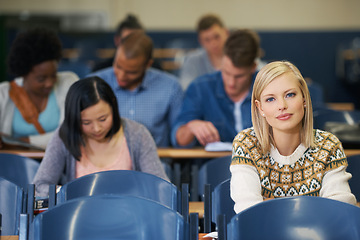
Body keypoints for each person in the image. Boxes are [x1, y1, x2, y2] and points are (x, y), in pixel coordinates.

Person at [230, 61, 356, 214]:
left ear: (304, 98)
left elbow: (339, 212)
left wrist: (270, 204)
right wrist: (310, 204)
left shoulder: (328, 145)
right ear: (260, 108)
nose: (282, 105)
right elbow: (249, 212)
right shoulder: (246, 143)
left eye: (290, 95)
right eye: (270, 99)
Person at [33, 76, 169, 197]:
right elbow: (39, 186)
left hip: (129, 215)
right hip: (79, 218)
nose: (97, 128)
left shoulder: (137, 134)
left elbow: (160, 185)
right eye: (86, 122)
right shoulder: (64, 136)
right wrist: (66, 193)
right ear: (74, 119)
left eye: (103, 119)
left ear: (113, 108)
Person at [89, 31, 183, 147]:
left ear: (148, 65)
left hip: (156, 160)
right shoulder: (93, 84)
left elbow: (179, 139)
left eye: (131, 72)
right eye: (118, 66)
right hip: (105, 160)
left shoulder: (170, 87)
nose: (121, 76)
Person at [172, 29, 260, 148]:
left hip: (259, 164)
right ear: (222, 62)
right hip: (213, 164)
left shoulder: (267, 88)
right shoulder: (200, 88)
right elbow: (178, 140)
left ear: (253, 67)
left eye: (239, 76)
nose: (231, 83)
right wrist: (192, 126)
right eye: (226, 73)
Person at [0, 28, 78, 149]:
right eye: (41, 79)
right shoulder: (4, 93)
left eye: (53, 75)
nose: (49, 83)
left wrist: (20, 142)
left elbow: (69, 134)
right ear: (23, 73)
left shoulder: (67, 82)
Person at [179, 13, 228, 90]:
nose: (213, 43)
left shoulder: (238, 56)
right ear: (200, 41)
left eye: (216, 37)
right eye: (207, 40)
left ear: (226, 33)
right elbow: (187, 88)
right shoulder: (193, 60)